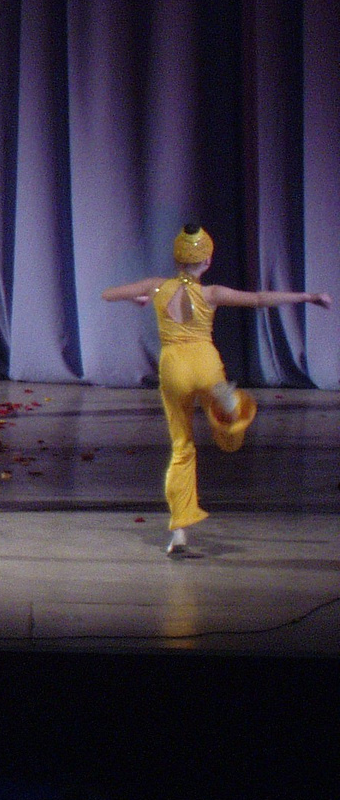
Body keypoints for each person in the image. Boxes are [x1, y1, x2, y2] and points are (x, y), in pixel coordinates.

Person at [101, 223, 329, 557]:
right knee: (227, 416)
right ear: (206, 261)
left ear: (177, 260)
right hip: (205, 363)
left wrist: (139, 297)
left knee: (182, 448)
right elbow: (259, 299)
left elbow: (107, 294)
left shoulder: (156, 286)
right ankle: (230, 410)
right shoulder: (212, 293)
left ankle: (179, 533)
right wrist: (309, 297)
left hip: (174, 367)